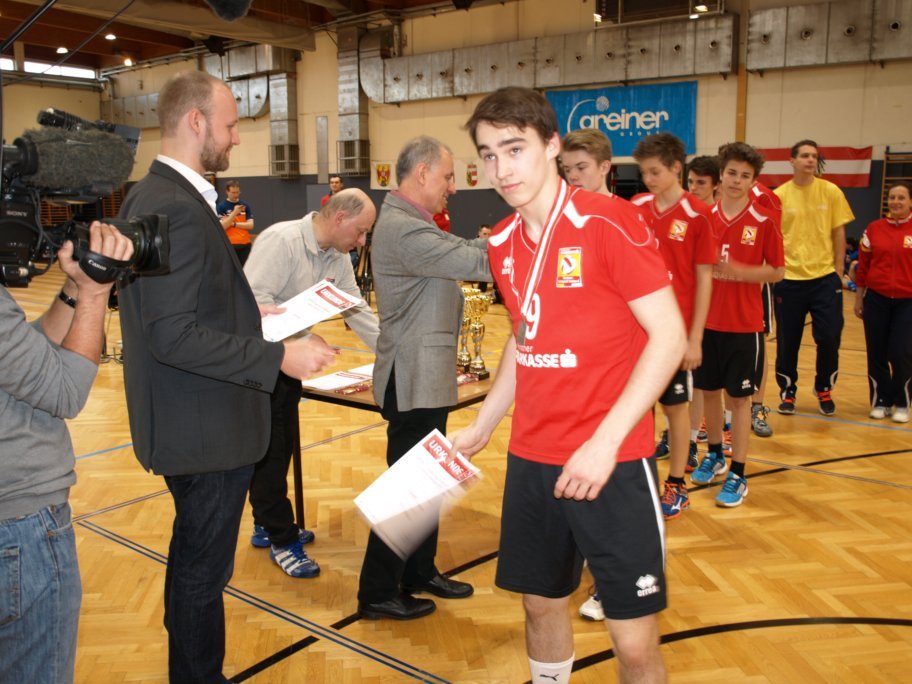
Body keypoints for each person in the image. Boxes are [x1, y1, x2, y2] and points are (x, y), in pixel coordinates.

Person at [453, 86, 686, 684]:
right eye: (488, 155)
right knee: (539, 605)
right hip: (533, 455)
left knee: (633, 644)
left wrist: (604, 443)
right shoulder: (502, 243)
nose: (501, 169)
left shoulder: (611, 221)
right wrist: (483, 424)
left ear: (552, 145)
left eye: (515, 149)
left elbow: (669, 337)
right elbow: (523, 336)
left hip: (612, 460)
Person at [116, 70, 337, 682]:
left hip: (189, 422)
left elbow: (185, 312)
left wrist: (254, 317)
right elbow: (172, 335)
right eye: (232, 125)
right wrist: (278, 357)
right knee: (201, 575)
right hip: (205, 431)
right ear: (196, 122)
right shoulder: (175, 207)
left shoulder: (151, 196)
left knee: (196, 565)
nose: (237, 138)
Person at [356, 135, 491, 621]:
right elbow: (477, 260)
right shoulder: (404, 229)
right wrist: (531, 233)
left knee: (428, 480)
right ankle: (376, 592)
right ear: (422, 174)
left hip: (423, 375)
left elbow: (467, 248)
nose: (452, 187)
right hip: (412, 377)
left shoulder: (412, 223)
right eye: (448, 177)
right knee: (409, 487)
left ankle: (418, 571)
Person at [0, 223, 133, 684]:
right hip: (17, 526)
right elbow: (64, 391)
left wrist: (75, 288)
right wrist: (97, 293)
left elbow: (24, 361)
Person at [243, 188, 380, 577]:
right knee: (269, 456)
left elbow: (355, 307)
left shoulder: (337, 256)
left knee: (281, 449)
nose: (362, 241)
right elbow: (250, 306)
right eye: (360, 231)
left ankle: (266, 523)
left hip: (290, 366)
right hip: (259, 363)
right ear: (339, 218)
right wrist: (300, 338)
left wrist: (391, 352)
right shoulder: (281, 242)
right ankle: (283, 539)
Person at [691, 142, 785, 507]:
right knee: (709, 392)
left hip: (745, 326)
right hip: (707, 323)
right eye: (731, 173)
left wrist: (739, 271)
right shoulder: (703, 218)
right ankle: (715, 454)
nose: (736, 180)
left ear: (753, 181)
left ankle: (739, 474)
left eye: (745, 176)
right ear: (721, 175)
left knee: (740, 400)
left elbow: (777, 271)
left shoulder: (764, 220)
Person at [631, 132, 716, 524]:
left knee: (675, 408)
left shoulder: (698, 214)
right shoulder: (637, 207)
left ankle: (677, 484)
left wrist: (694, 338)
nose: (648, 179)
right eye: (644, 172)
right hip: (636, 332)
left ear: (676, 168)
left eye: (655, 172)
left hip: (674, 334)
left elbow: (704, 279)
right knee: (637, 408)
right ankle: (639, 480)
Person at [774, 140, 855, 416]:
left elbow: (838, 233)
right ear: (792, 161)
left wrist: (839, 272)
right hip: (789, 280)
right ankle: (788, 391)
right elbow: (773, 237)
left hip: (824, 279)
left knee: (830, 337)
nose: (811, 160)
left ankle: (824, 388)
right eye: (805, 155)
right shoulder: (780, 196)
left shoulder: (831, 191)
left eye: (814, 156)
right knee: (788, 341)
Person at [853, 181, 912, 423]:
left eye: (901, 197)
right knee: (876, 352)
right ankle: (880, 401)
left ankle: (902, 403)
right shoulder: (874, 229)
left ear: (910, 201)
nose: (896, 202)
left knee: (901, 352)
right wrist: (859, 297)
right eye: (892, 197)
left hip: (908, 302)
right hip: (876, 299)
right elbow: (863, 267)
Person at [747, 180, 782, 438]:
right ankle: (717, 414)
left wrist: (757, 283)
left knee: (758, 347)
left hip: (754, 286)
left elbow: (771, 247)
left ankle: (756, 409)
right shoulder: (717, 191)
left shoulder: (765, 197)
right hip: (719, 285)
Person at [560, 128, 617, 197]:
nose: (572, 176)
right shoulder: (561, 204)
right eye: (567, 170)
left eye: (581, 168)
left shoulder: (623, 204)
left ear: (604, 167)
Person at [216, 180, 255, 265]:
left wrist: (233, 224)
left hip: (245, 244)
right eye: (233, 193)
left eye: (237, 192)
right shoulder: (221, 207)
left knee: (245, 270)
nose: (236, 195)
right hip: (229, 245)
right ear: (227, 192)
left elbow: (250, 225)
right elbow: (223, 227)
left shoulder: (245, 205)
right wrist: (234, 213)